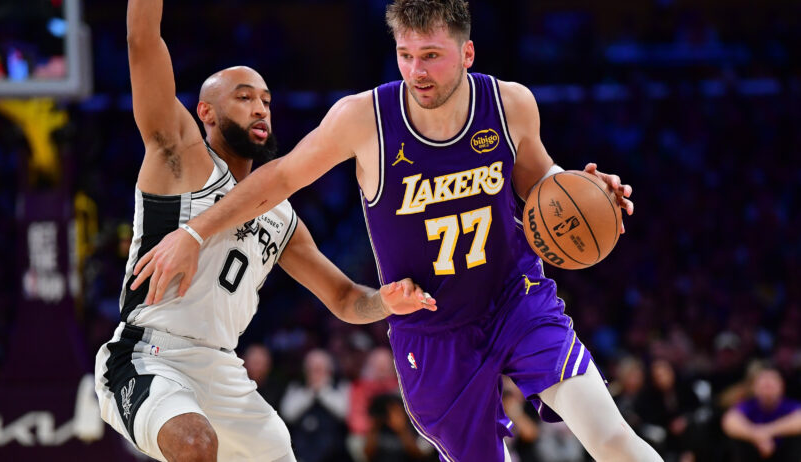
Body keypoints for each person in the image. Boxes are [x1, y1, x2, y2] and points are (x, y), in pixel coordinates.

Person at [131, 1, 663, 460]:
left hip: (515, 299)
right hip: (431, 330)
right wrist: (194, 233)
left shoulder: (510, 104)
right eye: (406, 55)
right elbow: (281, 177)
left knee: (611, 435)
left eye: (431, 55)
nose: (417, 71)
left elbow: (542, 182)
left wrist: (588, 191)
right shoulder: (364, 118)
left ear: (467, 53)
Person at [94, 1, 436, 461]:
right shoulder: (180, 155)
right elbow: (142, 41)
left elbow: (343, 298)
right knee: (194, 443)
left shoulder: (280, 217)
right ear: (205, 112)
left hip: (222, 366)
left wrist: (385, 302)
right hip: (149, 354)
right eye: (243, 98)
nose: (259, 108)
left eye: (266, 101)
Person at [721, 367, 801, 461]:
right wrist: (756, 436)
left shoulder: (790, 405)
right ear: (754, 388)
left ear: (782, 386)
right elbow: (729, 421)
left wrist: (767, 432)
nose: (768, 389)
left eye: (771, 385)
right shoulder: (748, 406)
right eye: (764, 385)